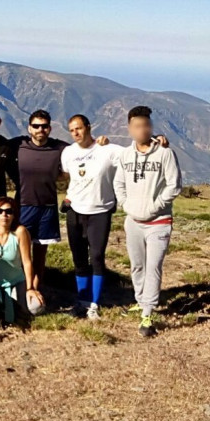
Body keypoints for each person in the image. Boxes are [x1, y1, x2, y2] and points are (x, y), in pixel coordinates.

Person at [113, 106, 182, 338]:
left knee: (153, 266)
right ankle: (140, 301)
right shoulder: (125, 155)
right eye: (138, 126)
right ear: (130, 128)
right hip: (133, 221)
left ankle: (148, 313)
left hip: (159, 221)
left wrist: (155, 206)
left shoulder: (165, 153)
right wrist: (125, 204)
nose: (143, 130)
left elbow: (175, 185)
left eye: (147, 125)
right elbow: (118, 183)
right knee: (137, 266)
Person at [60, 114, 123, 320]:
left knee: (96, 257)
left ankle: (94, 303)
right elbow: (70, 176)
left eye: (79, 128)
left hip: (100, 212)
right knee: (79, 258)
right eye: (72, 130)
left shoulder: (107, 150)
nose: (76, 133)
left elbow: (135, 153)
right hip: (75, 211)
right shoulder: (68, 152)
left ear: (88, 127)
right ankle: (82, 301)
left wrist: (157, 141)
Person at [8, 110, 68, 295]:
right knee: (18, 251)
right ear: (29, 128)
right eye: (36, 126)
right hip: (24, 205)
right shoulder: (18, 145)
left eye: (44, 126)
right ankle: (19, 288)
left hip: (48, 207)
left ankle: (36, 290)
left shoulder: (60, 148)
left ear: (49, 128)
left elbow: (84, 151)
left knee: (40, 253)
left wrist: (100, 143)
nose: (40, 129)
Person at [0, 197, 44, 323]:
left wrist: (30, 288)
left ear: (14, 215)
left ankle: (14, 304)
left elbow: (27, 262)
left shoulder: (20, 232)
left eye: (9, 211)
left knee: (35, 307)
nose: (4, 214)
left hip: (16, 281)